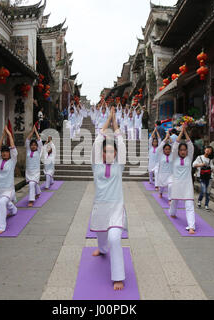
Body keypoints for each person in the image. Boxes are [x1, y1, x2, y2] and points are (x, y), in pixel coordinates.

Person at [91, 109, 127, 291]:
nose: (109, 154)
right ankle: (102, 250)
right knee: (102, 236)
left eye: (112, 151)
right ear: (102, 154)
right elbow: (98, 141)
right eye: (106, 152)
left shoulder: (119, 167)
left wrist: (115, 123)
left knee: (114, 238)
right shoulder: (96, 166)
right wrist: (107, 120)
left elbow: (120, 141)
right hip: (100, 208)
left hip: (116, 208)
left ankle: (118, 277)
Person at [169, 123, 196, 234]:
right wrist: (181, 132)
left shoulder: (189, 158)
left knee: (189, 205)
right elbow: (175, 145)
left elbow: (191, 145)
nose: (183, 151)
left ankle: (191, 226)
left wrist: (185, 132)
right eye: (181, 150)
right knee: (174, 202)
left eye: (184, 150)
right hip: (176, 184)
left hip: (187, 185)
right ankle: (172, 213)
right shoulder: (174, 157)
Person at [0, 126, 18, 234]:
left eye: (6, 152)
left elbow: (13, 148)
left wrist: (9, 134)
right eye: (3, 152)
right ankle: (13, 210)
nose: (4, 153)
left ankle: (0, 227)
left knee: (3, 202)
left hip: (8, 189)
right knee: (4, 203)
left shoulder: (12, 161)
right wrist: (2, 135)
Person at [25, 125, 43, 207]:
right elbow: (27, 140)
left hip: (36, 172)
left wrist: (36, 132)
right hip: (29, 172)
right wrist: (31, 132)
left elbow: (39, 141)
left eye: (35, 145)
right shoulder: (28, 150)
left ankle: (31, 200)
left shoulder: (39, 151)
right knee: (33, 183)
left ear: (37, 146)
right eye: (32, 145)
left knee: (32, 184)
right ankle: (38, 192)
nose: (33, 146)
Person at [193, 146, 214, 211]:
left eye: (210, 150)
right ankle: (199, 200)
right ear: (205, 150)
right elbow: (193, 164)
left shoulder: (210, 160)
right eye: (207, 149)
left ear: (211, 152)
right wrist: (201, 164)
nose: (208, 150)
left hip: (209, 177)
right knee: (203, 190)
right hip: (202, 177)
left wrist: (211, 168)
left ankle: (206, 205)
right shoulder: (199, 157)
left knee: (208, 192)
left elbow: (213, 168)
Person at [157, 130, 173, 199]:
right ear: (163, 150)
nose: (167, 150)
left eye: (169, 149)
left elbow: (173, 145)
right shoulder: (161, 155)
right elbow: (160, 146)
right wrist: (166, 138)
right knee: (162, 186)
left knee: (170, 186)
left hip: (170, 174)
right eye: (166, 149)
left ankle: (170, 199)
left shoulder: (172, 155)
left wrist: (169, 137)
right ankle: (160, 193)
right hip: (162, 173)